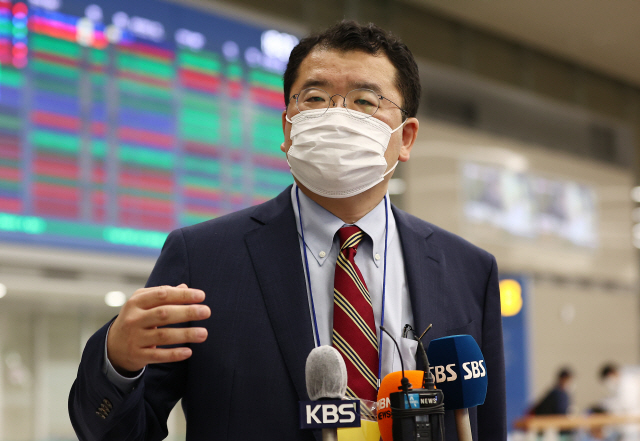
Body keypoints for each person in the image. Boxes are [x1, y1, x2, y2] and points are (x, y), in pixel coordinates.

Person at [69, 20, 506, 440]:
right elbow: (118, 432)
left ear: (405, 137)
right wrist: (118, 363)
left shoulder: (468, 271)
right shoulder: (203, 258)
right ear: (287, 127)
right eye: (314, 98)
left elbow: (485, 426)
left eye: (364, 101)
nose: (337, 116)